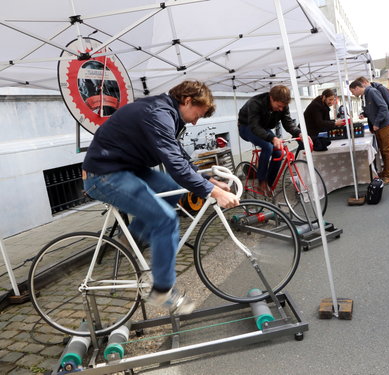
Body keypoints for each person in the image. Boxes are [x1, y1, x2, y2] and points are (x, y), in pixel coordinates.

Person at [82, 80, 239, 314]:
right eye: (198, 113)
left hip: (129, 168)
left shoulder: (166, 113)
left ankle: (132, 239)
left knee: (171, 189)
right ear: (187, 100)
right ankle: (162, 291)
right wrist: (212, 191)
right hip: (104, 174)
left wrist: (205, 180)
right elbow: (175, 163)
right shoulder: (158, 114)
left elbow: (177, 154)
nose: (196, 120)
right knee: (166, 220)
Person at [238, 85, 304, 194]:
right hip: (247, 127)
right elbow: (254, 126)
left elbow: (288, 123)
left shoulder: (283, 105)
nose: (281, 109)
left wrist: (299, 132)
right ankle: (261, 181)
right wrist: (272, 138)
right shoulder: (255, 103)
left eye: (283, 107)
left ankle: (269, 184)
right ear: (271, 98)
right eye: (278, 106)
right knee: (267, 146)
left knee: (279, 152)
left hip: (263, 128)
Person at [349, 80, 389, 184]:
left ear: (357, 88)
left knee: (387, 150)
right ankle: (385, 172)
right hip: (379, 127)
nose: (353, 94)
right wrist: (363, 114)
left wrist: (377, 123)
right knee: (382, 150)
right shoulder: (364, 96)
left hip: (384, 125)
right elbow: (371, 109)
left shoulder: (372, 91)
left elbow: (383, 107)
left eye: (352, 92)